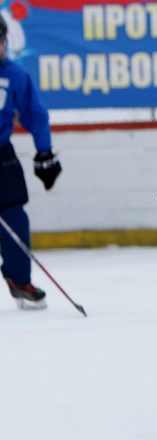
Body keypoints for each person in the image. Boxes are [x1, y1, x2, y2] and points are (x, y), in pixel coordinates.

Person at [0, 16, 62, 310]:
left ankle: (19, 279)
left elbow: (35, 115)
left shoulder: (15, 75)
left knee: (15, 216)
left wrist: (44, 153)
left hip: (2, 153)